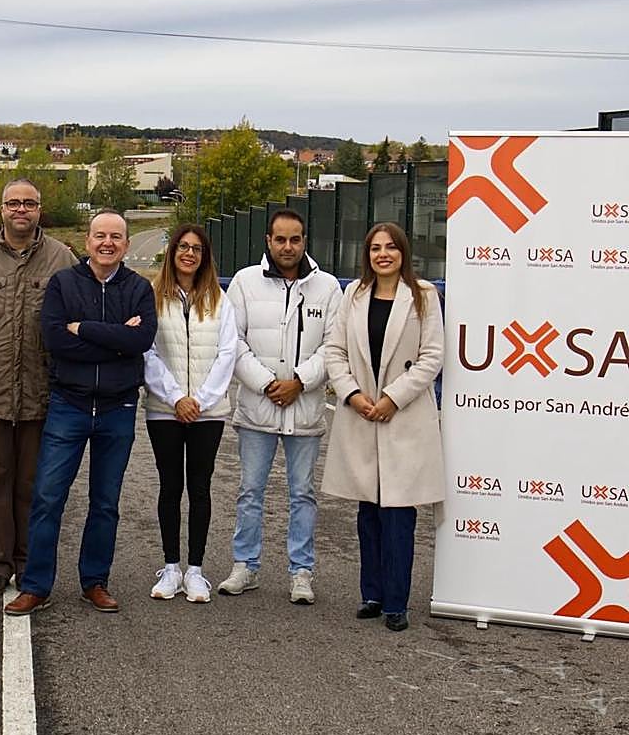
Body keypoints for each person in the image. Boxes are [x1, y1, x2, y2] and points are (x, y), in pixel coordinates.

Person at [5, 210, 157, 616]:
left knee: (105, 502)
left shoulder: (140, 288)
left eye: (116, 237)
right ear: (87, 241)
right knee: (48, 497)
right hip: (68, 404)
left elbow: (140, 340)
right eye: (100, 235)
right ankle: (36, 585)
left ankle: (94, 581)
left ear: (126, 244)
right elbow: (55, 340)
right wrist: (115, 338)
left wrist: (84, 328)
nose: (107, 243)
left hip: (117, 408)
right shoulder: (63, 284)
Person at [322, 223, 444, 632]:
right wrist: (353, 394)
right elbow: (335, 352)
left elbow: (431, 357)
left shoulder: (424, 296)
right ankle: (371, 594)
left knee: (398, 515)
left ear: (403, 252)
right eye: (375, 248)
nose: (383, 254)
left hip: (402, 417)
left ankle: (396, 602)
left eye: (391, 247)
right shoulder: (353, 295)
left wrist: (393, 397)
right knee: (367, 511)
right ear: (367, 254)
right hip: (361, 413)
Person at [0, 178, 76, 596]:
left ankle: (30, 561)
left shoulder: (62, 259)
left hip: (42, 394)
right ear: (1, 208)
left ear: (40, 209)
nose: (21, 209)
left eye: (29, 203)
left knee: (33, 485)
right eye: (13, 203)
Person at [220, 208, 342, 605]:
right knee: (250, 491)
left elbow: (333, 346)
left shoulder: (327, 288)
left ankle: (301, 571)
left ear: (305, 241)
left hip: (304, 410)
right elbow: (233, 342)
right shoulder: (243, 282)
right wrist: (267, 383)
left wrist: (301, 382)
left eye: (295, 239)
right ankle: (245, 566)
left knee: (302, 493)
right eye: (280, 239)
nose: (287, 247)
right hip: (257, 408)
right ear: (268, 242)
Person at [143, 225, 237, 603]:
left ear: (205, 256)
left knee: (200, 487)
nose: (189, 254)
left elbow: (227, 353)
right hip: (164, 410)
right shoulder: (152, 297)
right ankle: (171, 567)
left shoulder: (221, 300)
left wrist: (199, 399)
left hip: (208, 411)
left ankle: (195, 570)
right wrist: (175, 397)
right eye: (183, 247)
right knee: (170, 487)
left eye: (196, 248)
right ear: (172, 252)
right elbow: (147, 351)